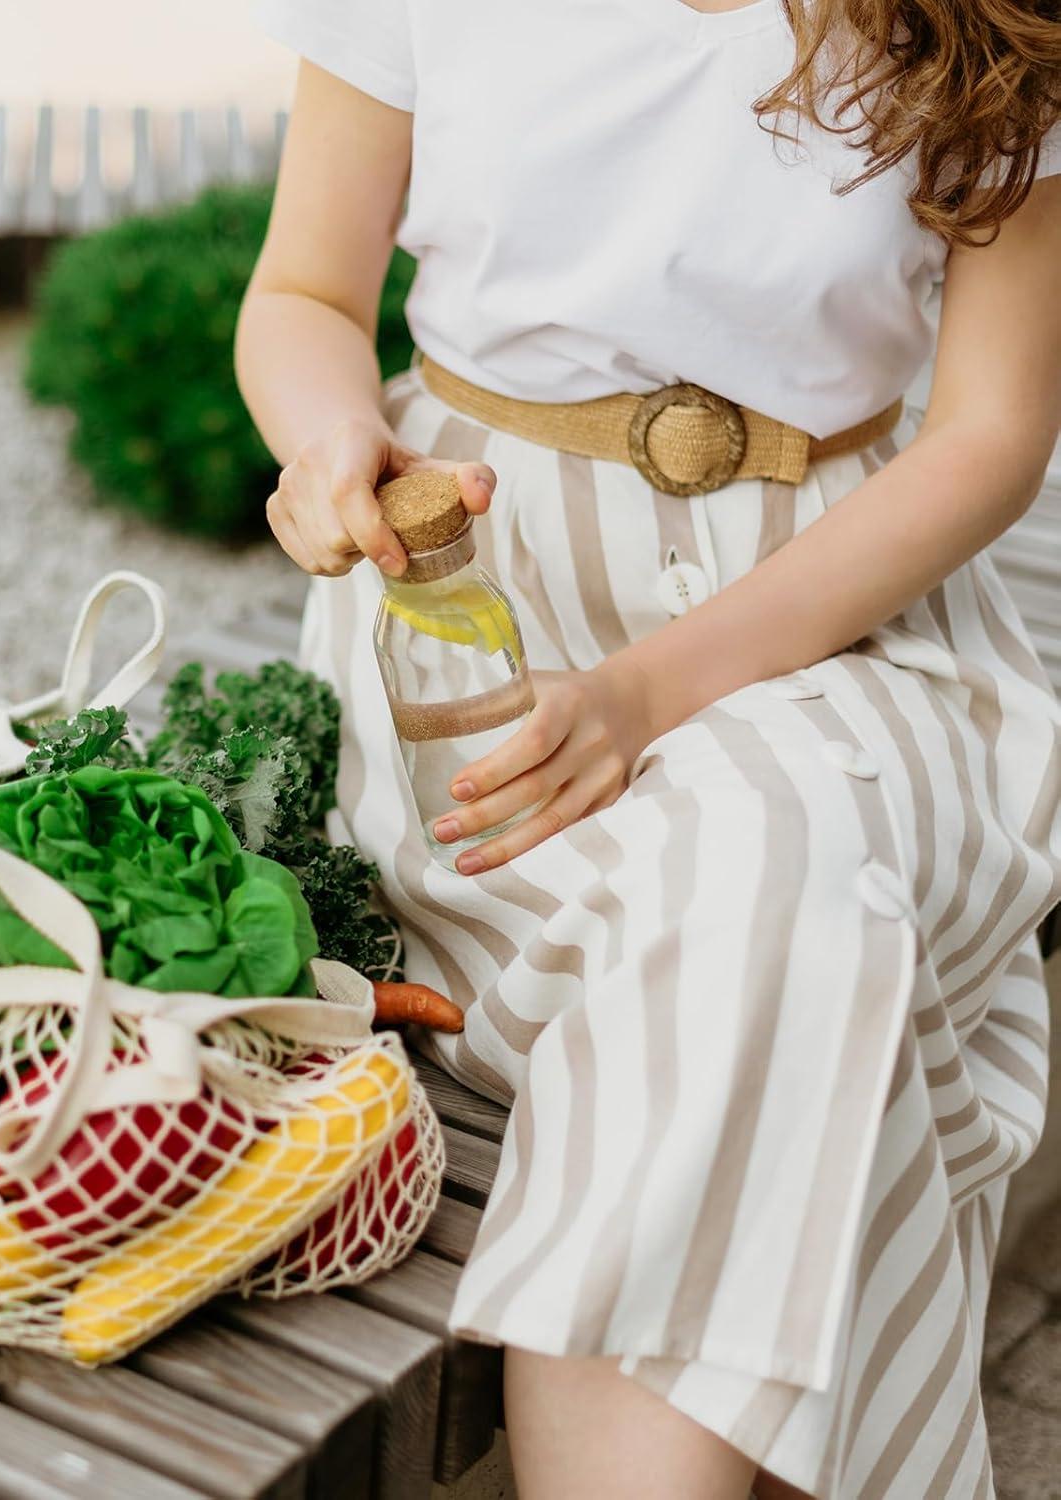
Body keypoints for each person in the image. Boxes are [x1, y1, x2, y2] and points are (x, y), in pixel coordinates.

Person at [235, 2, 1061, 1496]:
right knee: (789, 938)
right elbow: (302, 292)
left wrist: (647, 694)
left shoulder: (996, 17)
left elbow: (991, 436)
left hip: (837, 606)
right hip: (487, 604)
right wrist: (327, 439)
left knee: (777, 861)